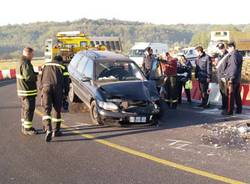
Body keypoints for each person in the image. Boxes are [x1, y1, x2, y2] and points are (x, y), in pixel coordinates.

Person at [40, 55, 69, 142]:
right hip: (57, 89)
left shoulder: (45, 65)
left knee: (46, 109)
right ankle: (56, 131)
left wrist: (41, 90)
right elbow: (66, 81)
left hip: (46, 87)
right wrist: (66, 94)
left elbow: (40, 79)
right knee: (57, 109)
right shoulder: (63, 67)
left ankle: (48, 129)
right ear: (60, 61)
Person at [16, 47, 38, 135]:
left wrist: (35, 73)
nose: (33, 56)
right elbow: (28, 76)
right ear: (28, 54)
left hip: (23, 91)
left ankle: (25, 126)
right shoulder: (25, 63)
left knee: (25, 109)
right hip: (27, 91)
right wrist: (36, 76)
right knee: (29, 109)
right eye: (32, 54)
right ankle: (27, 129)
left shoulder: (21, 61)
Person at [223, 42, 243, 115]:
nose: (227, 50)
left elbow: (233, 68)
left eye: (228, 48)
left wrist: (231, 78)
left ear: (232, 47)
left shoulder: (233, 55)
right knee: (237, 95)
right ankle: (239, 109)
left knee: (231, 95)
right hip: (237, 78)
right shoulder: (239, 54)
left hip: (232, 78)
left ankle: (230, 111)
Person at [215, 43, 229, 111]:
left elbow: (228, 66)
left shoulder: (227, 55)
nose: (220, 50)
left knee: (225, 92)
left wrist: (226, 75)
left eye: (221, 48)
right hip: (219, 75)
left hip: (224, 76)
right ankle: (223, 105)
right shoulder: (219, 55)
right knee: (222, 91)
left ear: (223, 48)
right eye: (219, 49)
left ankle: (226, 106)